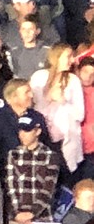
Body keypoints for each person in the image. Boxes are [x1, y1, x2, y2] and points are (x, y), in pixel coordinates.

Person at [31, 43, 85, 175]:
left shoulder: (73, 80)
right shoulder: (39, 77)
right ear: (57, 57)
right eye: (68, 56)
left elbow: (80, 114)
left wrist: (63, 101)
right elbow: (33, 108)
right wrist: (48, 98)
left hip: (65, 141)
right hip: (43, 138)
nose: (72, 60)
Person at [7, 114, 61, 224]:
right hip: (16, 219)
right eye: (20, 130)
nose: (22, 134)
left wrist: (32, 213)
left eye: (27, 130)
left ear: (38, 131)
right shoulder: (13, 154)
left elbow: (48, 189)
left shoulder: (51, 156)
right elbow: (11, 187)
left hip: (42, 218)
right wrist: (17, 214)